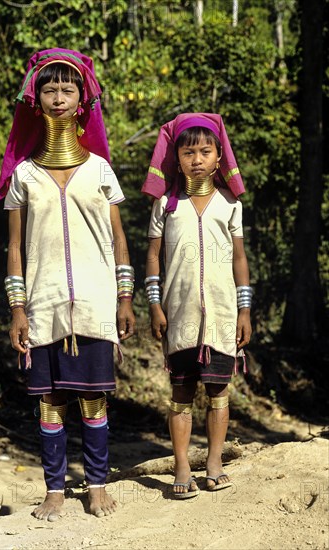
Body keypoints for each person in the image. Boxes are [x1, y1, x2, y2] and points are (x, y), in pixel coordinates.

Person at [0, 48, 135, 521]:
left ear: (83, 100)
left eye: (67, 89)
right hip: (44, 303)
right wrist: (17, 308)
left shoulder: (99, 169)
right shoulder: (24, 174)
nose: (58, 98)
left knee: (94, 396)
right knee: (50, 401)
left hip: (95, 304)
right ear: (36, 100)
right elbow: (15, 249)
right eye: (49, 89)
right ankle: (55, 490)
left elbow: (119, 238)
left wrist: (125, 297)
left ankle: (96, 485)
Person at [142, 113, 252, 498]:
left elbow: (240, 259)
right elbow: (153, 255)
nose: (197, 159)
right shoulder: (167, 206)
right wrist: (155, 304)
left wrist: (244, 309)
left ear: (220, 157)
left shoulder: (229, 203)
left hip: (222, 315)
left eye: (206, 151)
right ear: (176, 157)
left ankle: (215, 461)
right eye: (188, 152)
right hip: (181, 314)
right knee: (181, 394)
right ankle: (183, 466)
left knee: (219, 391)